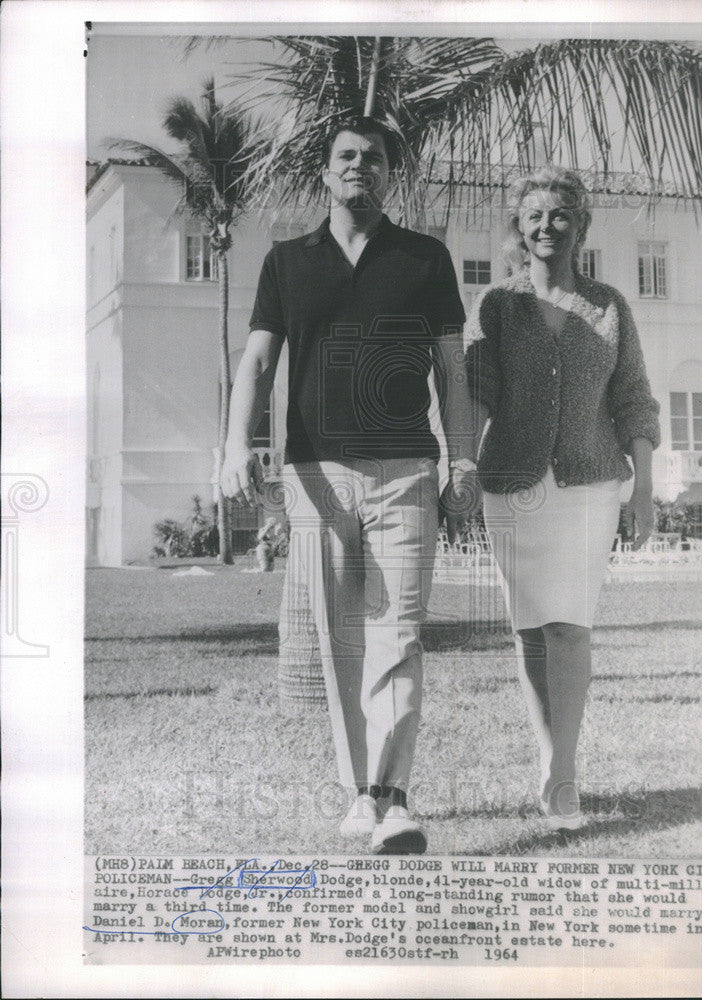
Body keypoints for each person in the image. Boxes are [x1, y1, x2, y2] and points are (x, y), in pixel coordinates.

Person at [221, 116, 477, 854]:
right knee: (342, 642)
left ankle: (393, 800)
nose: (359, 166)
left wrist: (461, 458)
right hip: (314, 475)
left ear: (390, 177)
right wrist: (238, 443)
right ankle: (360, 791)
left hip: (406, 472)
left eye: (374, 159)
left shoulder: (425, 258)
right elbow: (258, 362)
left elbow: (453, 370)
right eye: (346, 156)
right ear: (326, 174)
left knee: (398, 633)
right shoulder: (285, 261)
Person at [464, 167, 660, 831]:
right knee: (530, 632)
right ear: (519, 228)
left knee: (570, 626)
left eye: (560, 215)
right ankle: (550, 760)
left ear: (580, 227)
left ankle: (564, 775)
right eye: (534, 216)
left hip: (590, 484)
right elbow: (478, 391)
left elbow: (633, 395)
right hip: (511, 484)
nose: (547, 226)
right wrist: (460, 465)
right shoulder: (497, 306)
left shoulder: (609, 306)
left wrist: (646, 490)